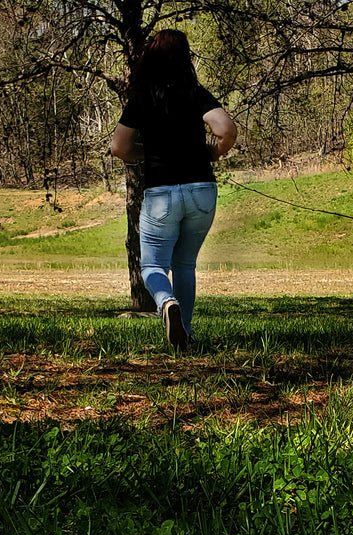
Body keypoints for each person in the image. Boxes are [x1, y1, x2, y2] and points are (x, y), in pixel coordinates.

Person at [110, 30, 238, 351]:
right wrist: (213, 152)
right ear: (185, 58)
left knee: (153, 266)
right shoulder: (194, 91)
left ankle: (167, 303)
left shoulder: (142, 98)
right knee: (184, 265)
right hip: (202, 190)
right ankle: (187, 334)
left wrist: (144, 156)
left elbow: (118, 147)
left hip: (161, 194)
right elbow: (226, 130)